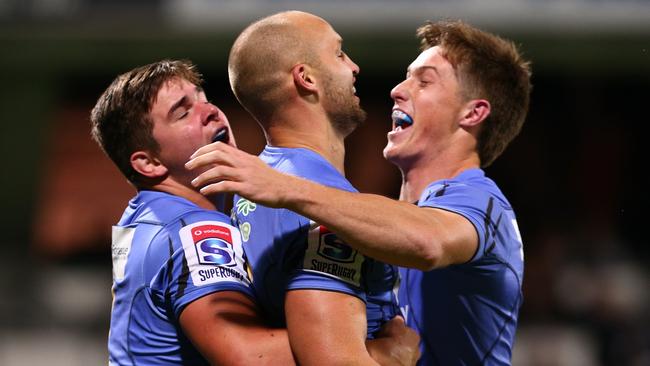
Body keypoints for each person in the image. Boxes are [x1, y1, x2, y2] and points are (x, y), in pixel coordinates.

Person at [188, 19, 532, 365]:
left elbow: (428, 242)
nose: (397, 89)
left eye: (424, 82)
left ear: (473, 113)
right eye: (406, 76)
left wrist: (284, 187)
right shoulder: (362, 211)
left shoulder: (480, 202)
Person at [91, 59, 418, 365]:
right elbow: (250, 357)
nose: (210, 112)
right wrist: (379, 352)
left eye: (202, 98)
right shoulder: (194, 229)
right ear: (148, 163)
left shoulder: (146, 216)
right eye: (182, 112)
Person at [188, 11, 417, 366]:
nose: (354, 67)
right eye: (340, 53)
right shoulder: (314, 199)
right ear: (306, 78)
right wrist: (398, 357)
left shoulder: (260, 186)